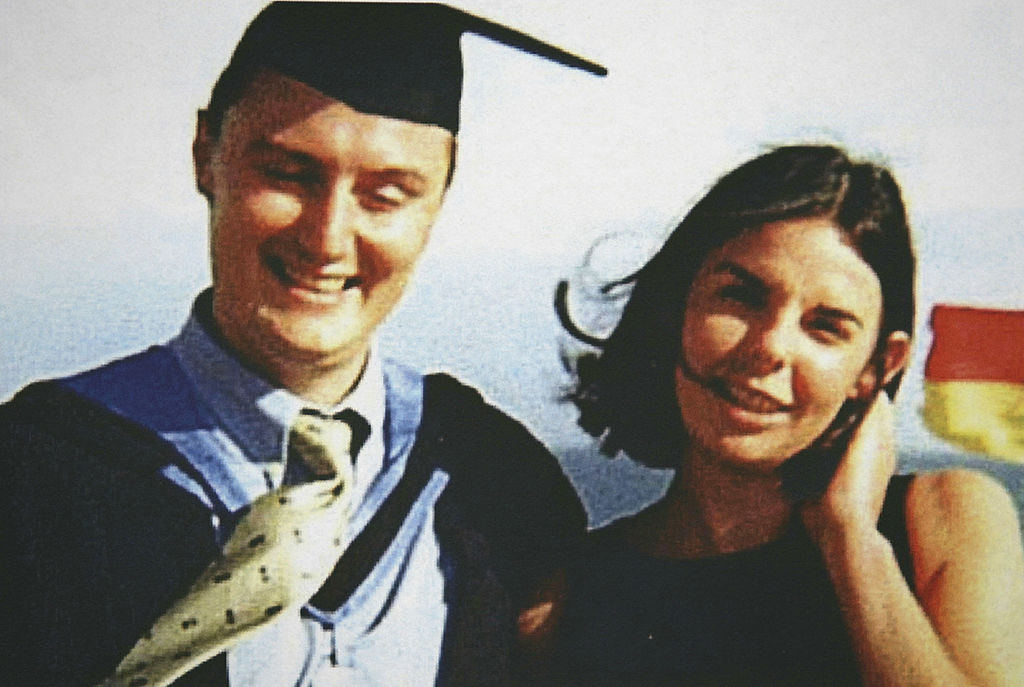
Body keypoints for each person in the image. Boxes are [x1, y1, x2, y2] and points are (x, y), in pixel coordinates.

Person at [0, 3, 605, 686]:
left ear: (439, 197)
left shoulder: (499, 486)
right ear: (207, 155)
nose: (326, 238)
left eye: (386, 194)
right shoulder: (33, 475)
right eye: (289, 173)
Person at [525, 145, 1024, 685]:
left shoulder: (943, 519)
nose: (770, 347)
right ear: (676, 311)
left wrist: (853, 541)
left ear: (875, 368)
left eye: (826, 326)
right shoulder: (566, 600)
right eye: (740, 296)